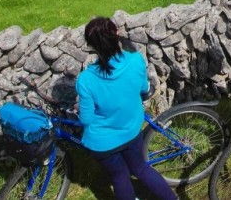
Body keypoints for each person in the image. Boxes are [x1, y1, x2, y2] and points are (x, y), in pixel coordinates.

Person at [76, 17, 177, 200]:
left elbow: (86, 119)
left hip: (102, 143)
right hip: (131, 131)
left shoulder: (86, 80)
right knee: (141, 169)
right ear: (117, 36)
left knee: (119, 177)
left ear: (91, 46)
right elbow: (143, 89)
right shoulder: (135, 61)